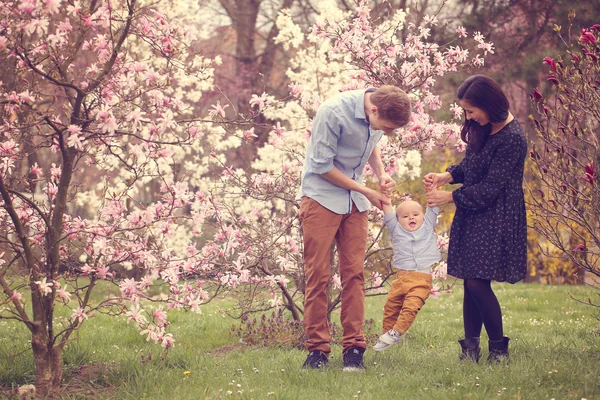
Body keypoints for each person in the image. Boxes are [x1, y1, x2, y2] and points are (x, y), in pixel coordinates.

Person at [297, 85, 411, 371]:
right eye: (385, 126)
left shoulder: (376, 110)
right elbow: (321, 165)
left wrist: (382, 175)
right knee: (318, 276)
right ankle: (318, 351)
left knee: (354, 276)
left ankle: (354, 349)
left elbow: (371, 145)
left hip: (355, 202)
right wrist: (366, 190)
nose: (386, 132)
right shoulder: (332, 112)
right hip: (320, 198)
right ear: (374, 109)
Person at [423, 74, 527, 363]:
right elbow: (472, 166)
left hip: (497, 214)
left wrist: (451, 197)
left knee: (479, 283)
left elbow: (492, 188)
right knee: (471, 280)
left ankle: (498, 349)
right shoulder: (482, 127)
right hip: (474, 212)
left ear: (489, 104)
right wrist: (448, 175)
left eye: (471, 110)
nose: (467, 117)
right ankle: (470, 349)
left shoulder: (512, 138)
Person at [373, 198, 441, 352]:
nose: (411, 217)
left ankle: (397, 332)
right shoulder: (396, 229)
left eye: (416, 214)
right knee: (390, 307)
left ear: (423, 216)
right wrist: (385, 195)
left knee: (411, 307)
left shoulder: (428, 225)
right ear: (397, 221)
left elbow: (433, 204)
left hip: (421, 280)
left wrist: (432, 188)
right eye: (405, 216)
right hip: (400, 279)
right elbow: (388, 211)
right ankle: (387, 334)